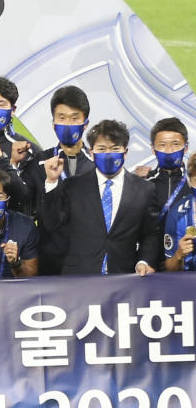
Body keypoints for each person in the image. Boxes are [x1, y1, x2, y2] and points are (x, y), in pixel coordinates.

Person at [42, 120, 161, 275]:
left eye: (114, 148)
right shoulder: (73, 186)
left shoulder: (144, 189)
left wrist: (144, 261)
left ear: (125, 152)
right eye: (102, 149)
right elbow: (52, 224)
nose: (108, 154)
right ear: (91, 153)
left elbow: (150, 234)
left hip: (125, 278)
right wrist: (51, 182)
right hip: (79, 279)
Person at [19, 85, 95, 275]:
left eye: (74, 118)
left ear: (85, 123)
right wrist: (9, 163)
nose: (68, 124)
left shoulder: (99, 163)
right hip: (49, 262)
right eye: (62, 118)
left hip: (89, 261)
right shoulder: (38, 161)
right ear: (53, 123)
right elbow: (20, 195)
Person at [139, 117, 189, 228]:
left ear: (186, 148)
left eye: (175, 144)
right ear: (153, 149)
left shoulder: (193, 182)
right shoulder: (143, 183)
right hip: (152, 244)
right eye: (162, 145)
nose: (169, 151)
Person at [162, 154, 196, 272]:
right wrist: (178, 255)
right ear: (189, 181)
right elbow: (170, 268)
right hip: (189, 285)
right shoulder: (177, 214)